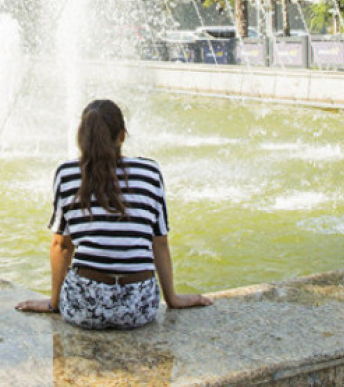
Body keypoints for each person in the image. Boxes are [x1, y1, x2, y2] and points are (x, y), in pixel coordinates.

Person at [16, 99, 212, 329]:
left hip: (84, 308)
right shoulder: (150, 172)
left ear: (81, 136)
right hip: (139, 307)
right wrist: (173, 299)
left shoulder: (67, 174)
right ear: (122, 135)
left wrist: (53, 302)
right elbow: (159, 242)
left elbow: (62, 245)